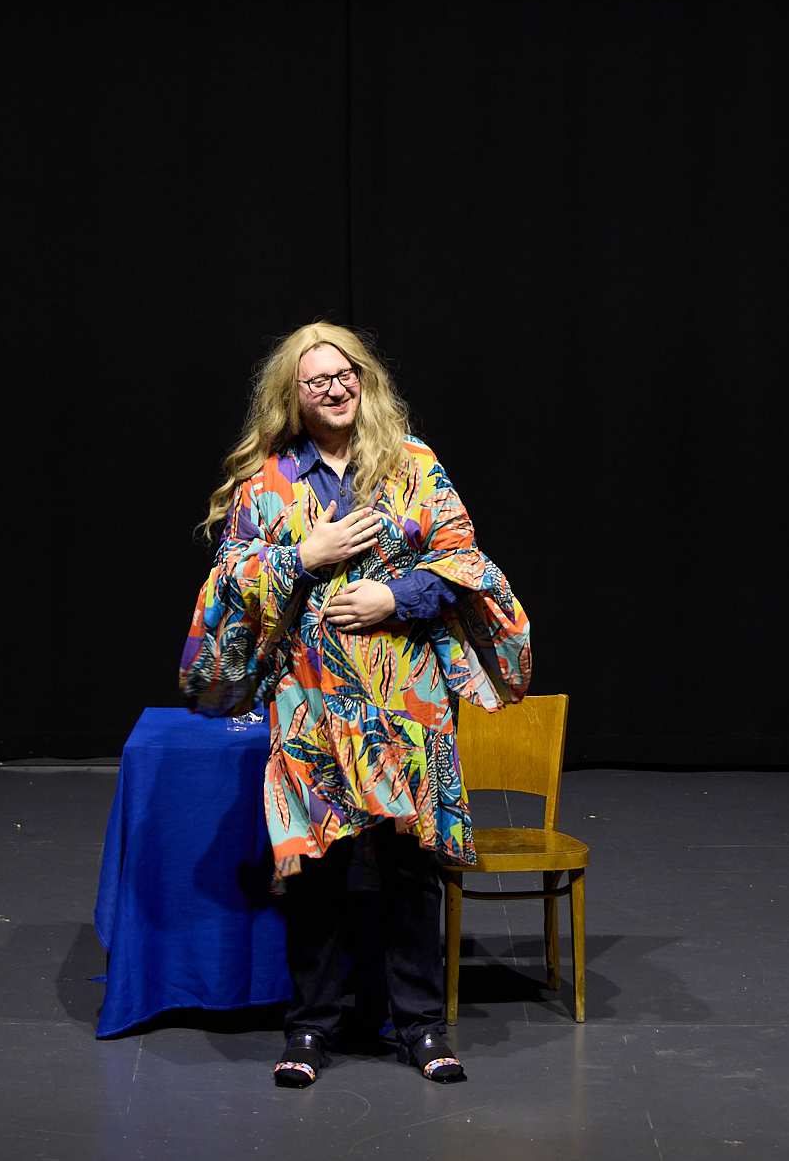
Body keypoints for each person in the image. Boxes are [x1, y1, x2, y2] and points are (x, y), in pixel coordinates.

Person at [178, 322, 533, 1088]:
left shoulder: (412, 465)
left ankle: (422, 1026)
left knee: (410, 866)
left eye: (346, 375)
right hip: (311, 703)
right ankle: (311, 1027)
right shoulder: (269, 482)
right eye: (318, 381)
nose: (336, 389)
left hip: (407, 701)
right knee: (317, 868)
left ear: (365, 380)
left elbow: (465, 563)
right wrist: (304, 557)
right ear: (293, 396)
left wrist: (394, 598)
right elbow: (230, 577)